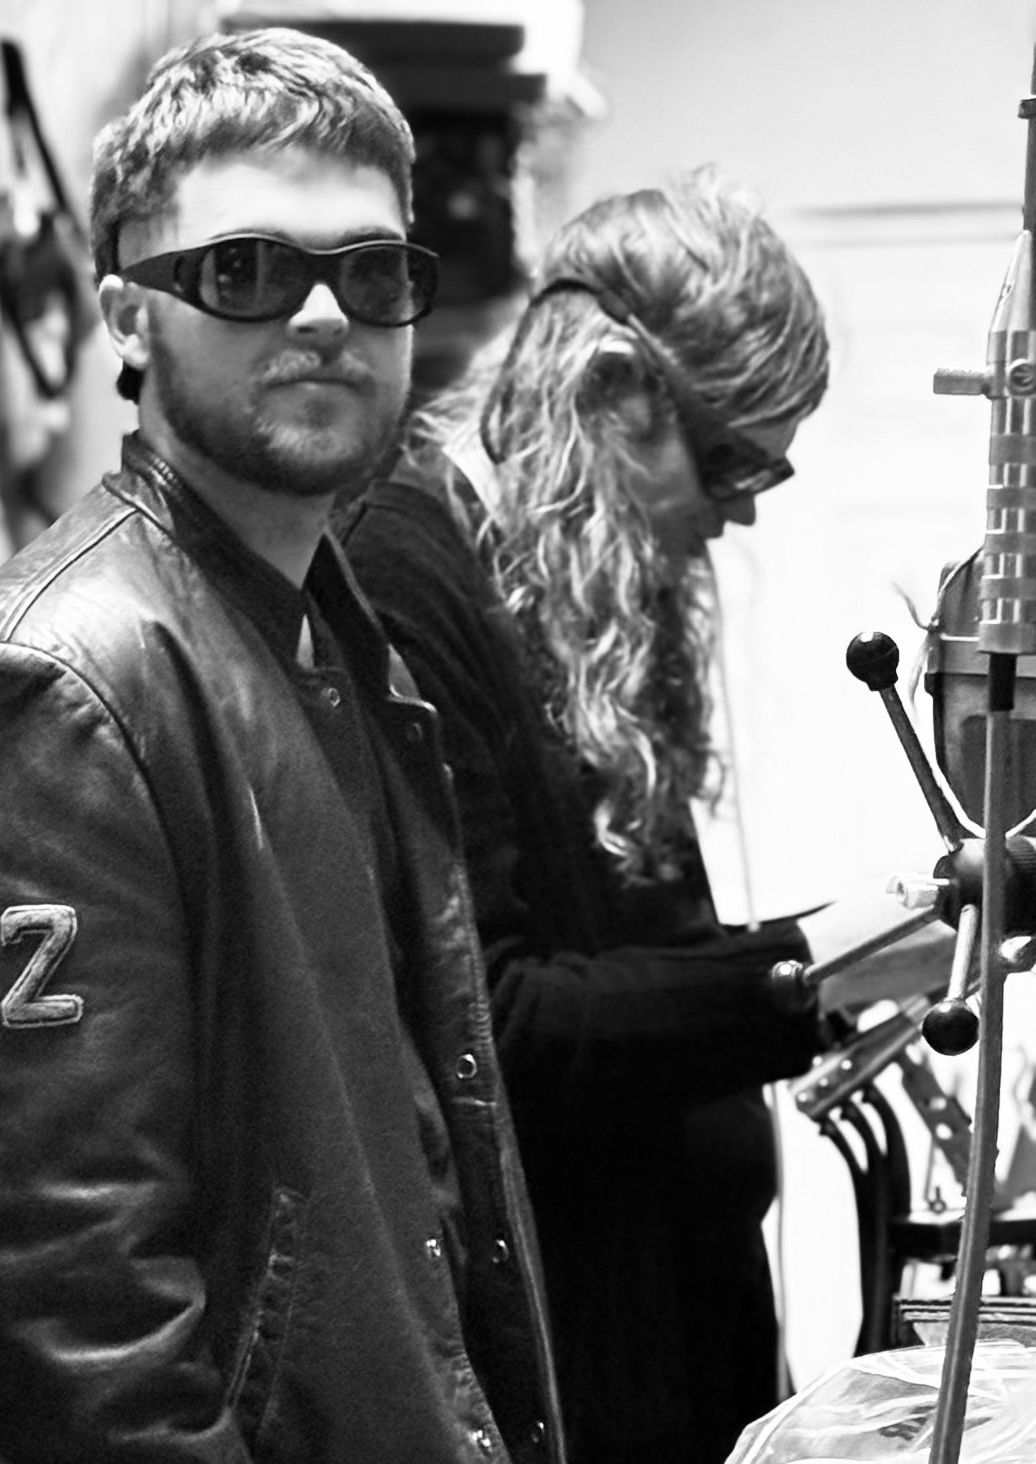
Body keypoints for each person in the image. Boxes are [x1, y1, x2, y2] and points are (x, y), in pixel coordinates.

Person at [0, 27, 565, 1464]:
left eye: (373, 272)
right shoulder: (39, 699)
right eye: (245, 270)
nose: (326, 316)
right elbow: (59, 1331)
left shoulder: (327, 643)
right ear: (125, 313)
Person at [337, 171, 837, 1464]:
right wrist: (802, 980)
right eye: (731, 459)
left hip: (679, 1320)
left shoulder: (588, 588)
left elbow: (650, 966)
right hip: (570, 1365)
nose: (741, 509)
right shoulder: (404, 577)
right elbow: (495, 1026)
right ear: (611, 394)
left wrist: (849, 958)